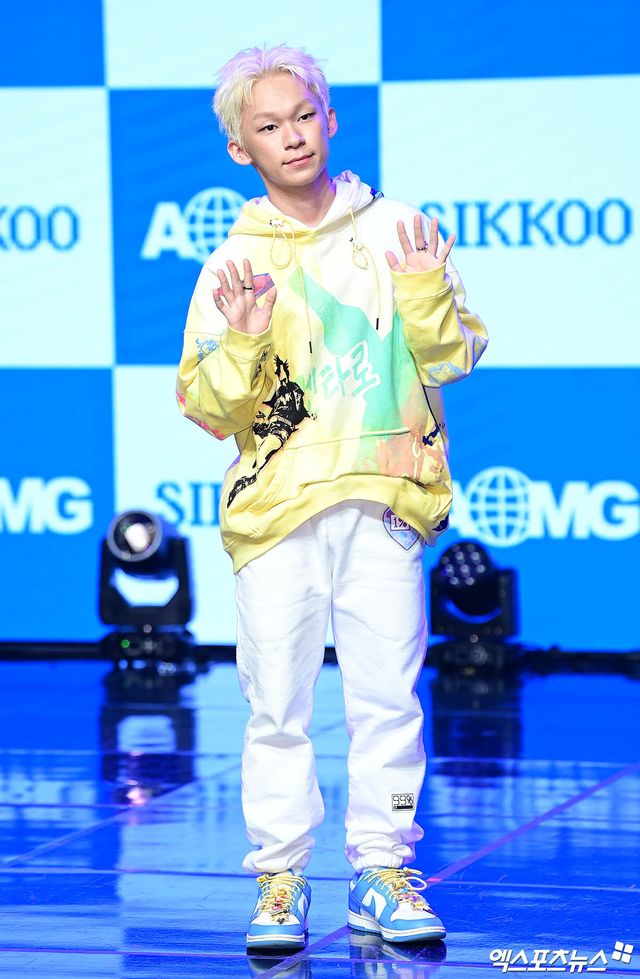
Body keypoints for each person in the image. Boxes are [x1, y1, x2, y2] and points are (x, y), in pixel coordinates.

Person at [176, 44, 488, 951]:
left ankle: (383, 867)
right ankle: (279, 879)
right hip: (278, 513)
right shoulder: (234, 259)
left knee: (388, 699)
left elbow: (456, 356)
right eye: (269, 126)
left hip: (386, 497)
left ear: (331, 119)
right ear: (241, 149)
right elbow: (206, 405)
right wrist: (242, 340)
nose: (293, 136)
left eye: (304, 115)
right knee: (277, 706)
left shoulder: (399, 229)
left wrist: (423, 291)